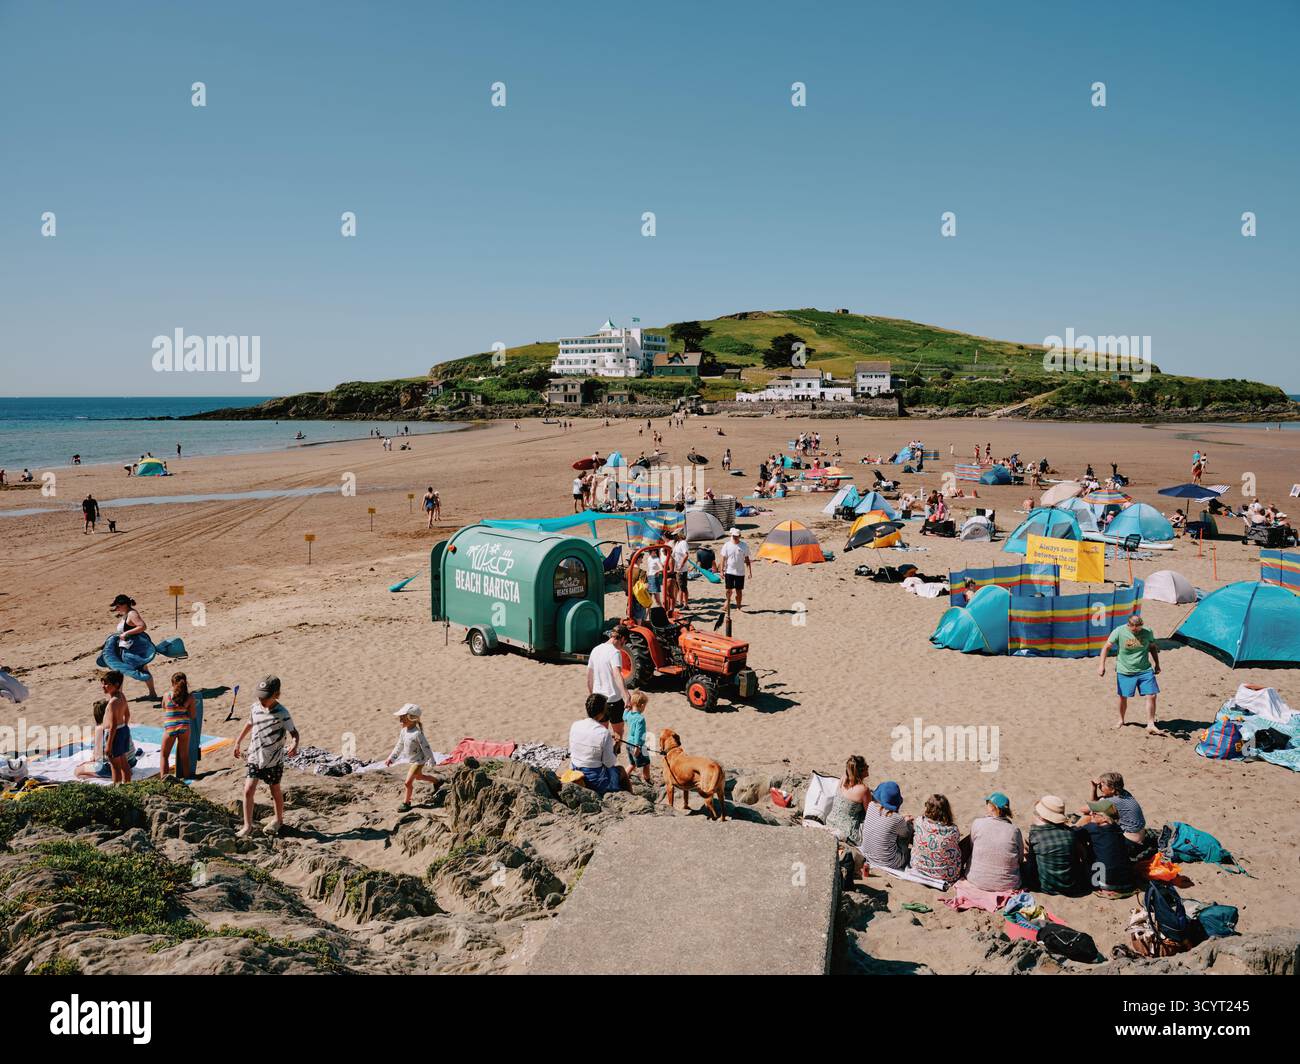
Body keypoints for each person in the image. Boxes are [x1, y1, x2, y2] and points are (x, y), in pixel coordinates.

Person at [233, 675, 299, 838]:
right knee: (248, 790)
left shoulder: (282, 713)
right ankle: (247, 826)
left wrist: (294, 744)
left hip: (273, 759)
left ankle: (278, 819)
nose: (261, 700)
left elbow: (294, 733)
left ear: (276, 695)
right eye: (259, 696)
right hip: (255, 756)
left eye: (265, 697)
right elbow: (250, 723)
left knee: (274, 790)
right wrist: (238, 741)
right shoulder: (255, 708)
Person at [1099, 612, 1164, 735]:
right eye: (1133, 629)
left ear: (1141, 625)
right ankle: (1121, 720)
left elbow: (1152, 647)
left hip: (1144, 669)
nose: (1135, 631)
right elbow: (1106, 647)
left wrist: (1157, 664)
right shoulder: (1119, 631)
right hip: (1125, 670)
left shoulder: (1147, 632)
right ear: (1129, 625)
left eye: (1138, 629)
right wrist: (1102, 665)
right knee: (1123, 697)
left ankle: (1150, 724)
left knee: (1152, 695)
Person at [568, 693, 629, 794]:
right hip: (594, 780)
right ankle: (632, 797)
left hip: (575, 771)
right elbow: (609, 763)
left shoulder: (575, 725)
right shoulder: (604, 733)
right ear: (602, 712)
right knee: (621, 770)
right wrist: (616, 746)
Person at [1073, 799, 1135, 897]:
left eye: (1095, 813)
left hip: (1102, 882)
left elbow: (1072, 834)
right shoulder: (1117, 828)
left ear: (1104, 818)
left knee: (1079, 844)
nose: (1091, 814)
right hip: (1126, 880)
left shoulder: (1093, 828)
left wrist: (1080, 823)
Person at [1025, 795, 1083, 895]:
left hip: (1046, 887)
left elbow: (1031, 863)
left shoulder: (1035, 834)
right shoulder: (1071, 834)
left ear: (1041, 816)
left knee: (1027, 850)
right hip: (1071, 886)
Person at [964, 793, 1022, 892]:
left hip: (975, 879)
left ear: (992, 807)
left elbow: (972, 846)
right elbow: (1019, 859)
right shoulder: (1014, 830)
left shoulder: (978, 823)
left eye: (987, 803)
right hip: (1007, 885)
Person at [385, 703, 437, 811]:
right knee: (419, 777)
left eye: (403, 718)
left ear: (411, 718)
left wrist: (431, 760)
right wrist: (392, 758)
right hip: (412, 760)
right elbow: (399, 745)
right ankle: (437, 781)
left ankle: (406, 803)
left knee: (407, 783)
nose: (400, 721)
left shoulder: (417, 734)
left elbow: (426, 747)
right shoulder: (404, 731)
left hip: (418, 761)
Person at [586, 626, 629, 748]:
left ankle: (602, 758)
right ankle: (614, 755)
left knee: (601, 734)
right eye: (624, 643)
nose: (623, 645)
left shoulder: (596, 649)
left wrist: (591, 695)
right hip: (613, 700)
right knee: (618, 732)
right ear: (622, 639)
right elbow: (617, 674)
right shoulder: (615, 652)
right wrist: (626, 694)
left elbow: (589, 675)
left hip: (598, 699)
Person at [109, 594, 158, 699]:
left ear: (124, 604)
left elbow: (142, 626)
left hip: (134, 649)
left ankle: (152, 694)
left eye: (117, 606)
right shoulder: (126, 613)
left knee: (139, 668)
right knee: (120, 669)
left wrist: (126, 634)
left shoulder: (132, 614)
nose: (116, 609)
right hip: (126, 648)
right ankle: (119, 695)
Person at [908, 794, 962, 885]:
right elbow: (956, 844)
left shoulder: (919, 822)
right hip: (946, 875)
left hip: (919, 868)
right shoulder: (952, 830)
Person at [858, 781, 912, 871]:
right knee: (907, 830)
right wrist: (906, 822)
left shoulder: (871, 806)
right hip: (888, 862)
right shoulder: (897, 819)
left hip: (867, 854)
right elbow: (905, 834)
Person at [1087, 771, 1146, 851]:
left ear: (1112, 789)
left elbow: (1092, 806)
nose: (1099, 787)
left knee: (1097, 821)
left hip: (1131, 841)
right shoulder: (1124, 793)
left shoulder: (1114, 801)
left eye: (1102, 785)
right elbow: (1097, 803)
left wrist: (1093, 787)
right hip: (1140, 836)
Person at [826, 755, 869, 851]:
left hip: (830, 822)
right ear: (862, 771)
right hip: (848, 832)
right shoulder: (863, 789)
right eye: (867, 767)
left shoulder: (843, 779)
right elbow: (869, 812)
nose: (868, 768)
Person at [160, 671, 194, 779]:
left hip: (170, 726)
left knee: (164, 756)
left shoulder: (166, 695)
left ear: (172, 683)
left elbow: (164, 707)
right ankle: (188, 778)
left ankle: (164, 780)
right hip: (184, 726)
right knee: (184, 756)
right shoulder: (190, 698)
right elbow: (193, 715)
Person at [101, 670, 133, 784]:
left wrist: (109, 744)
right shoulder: (122, 696)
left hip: (114, 733)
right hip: (123, 729)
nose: (103, 686)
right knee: (124, 762)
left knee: (114, 765)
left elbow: (113, 725)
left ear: (116, 685)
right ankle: (128, 785)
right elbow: (127, 715)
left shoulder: (112, 703)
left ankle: (117, 789)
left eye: (106, 684)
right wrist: (124, 727)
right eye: (103, 683)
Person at [717, 528, 752, 612]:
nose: (735, 537)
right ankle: (727, 604)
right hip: (729, 571)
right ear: (731, 535)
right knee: (728, 590)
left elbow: (747, 560)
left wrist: (749, 572)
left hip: (740, 572)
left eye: (736, 536)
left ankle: (738, 607)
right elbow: (723, 558)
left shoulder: (744, 545)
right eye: (733, 536)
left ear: (739, 536)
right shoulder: (727, 545)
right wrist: (721, 570)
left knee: (738, 591)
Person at [623, 690, 651, 784]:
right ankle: (647, 779)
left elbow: (624, 716)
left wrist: (627, 708)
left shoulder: (629, 715)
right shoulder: (640, 719)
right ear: (642, 706)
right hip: (637, 745)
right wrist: (637, 746)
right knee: (646, 763)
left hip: (628, 743)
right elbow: (638, 734)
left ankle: (624, 776)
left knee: (632, 764)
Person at [670, 532, 691, 608]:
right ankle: (681, 602)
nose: (673, 537)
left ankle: (685, 604)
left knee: (683, 587)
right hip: (677, 569)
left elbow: (686, 555)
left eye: (674, 535)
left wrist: (681, 565)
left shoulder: (683, 543)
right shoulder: (677, 543)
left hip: (681, 569)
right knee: (679, 587)